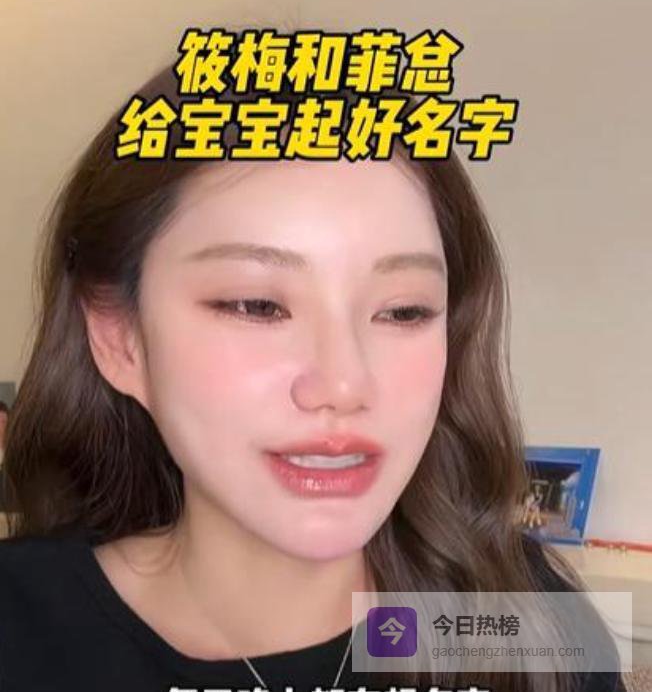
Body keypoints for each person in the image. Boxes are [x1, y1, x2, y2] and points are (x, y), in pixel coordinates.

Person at [0, 44, 626, 692]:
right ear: (120, 338)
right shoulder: (18, 628)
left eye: (404, 311)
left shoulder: (528, 624)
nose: (345, 384)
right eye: (257, 305)